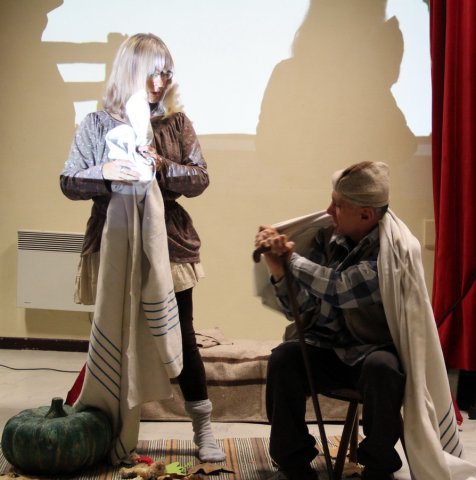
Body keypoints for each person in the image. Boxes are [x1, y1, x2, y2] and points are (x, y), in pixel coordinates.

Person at [60, 33, 225, 464]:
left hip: (168, 243)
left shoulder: (175, 123)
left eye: (167, 73)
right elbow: (69, 180)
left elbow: (200, 178)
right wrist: (105, 171)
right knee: (113, 334)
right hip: (112, 241)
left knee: (182, 335)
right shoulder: (96, 124)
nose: (161, 81)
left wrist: (161, 165)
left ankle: (203, 429)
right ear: (130, 71)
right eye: (153, 72)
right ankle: (109, 429)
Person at [254, 161, 468, 480]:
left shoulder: (395, 252)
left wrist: (290, 258)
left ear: (366, 215)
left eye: (338, 206)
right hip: (328, 348)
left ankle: (379, 466)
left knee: (383, 368)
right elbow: (303, 308)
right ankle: (293, 461)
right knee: (284, 358)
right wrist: (279, 272)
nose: (329, 211)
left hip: (373, 352)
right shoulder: (326, 239)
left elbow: (340, 288)